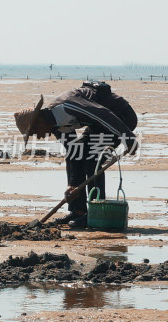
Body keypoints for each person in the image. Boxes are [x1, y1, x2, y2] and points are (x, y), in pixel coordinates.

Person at [14, 81, 138, 228]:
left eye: (34, 132)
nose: (38, 137)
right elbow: (74, 152)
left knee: (92, 160)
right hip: (98, 125)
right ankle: (78, 211)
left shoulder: (69, 106)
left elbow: (104, 115)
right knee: (77, 155)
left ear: (39, 121)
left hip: (120, 116)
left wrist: (128, 138)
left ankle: (94, 212)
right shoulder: (54, 125)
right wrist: (72, 185)